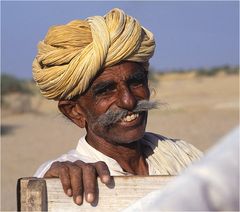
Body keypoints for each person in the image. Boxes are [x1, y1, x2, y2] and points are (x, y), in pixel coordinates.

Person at [32, 8, 202, 205]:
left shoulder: (182, 156)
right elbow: (38, 194)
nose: (128, 101)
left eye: (135, 82)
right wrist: (51, 185)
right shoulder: (66, 178)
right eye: (106, 90)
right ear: (75, 112)